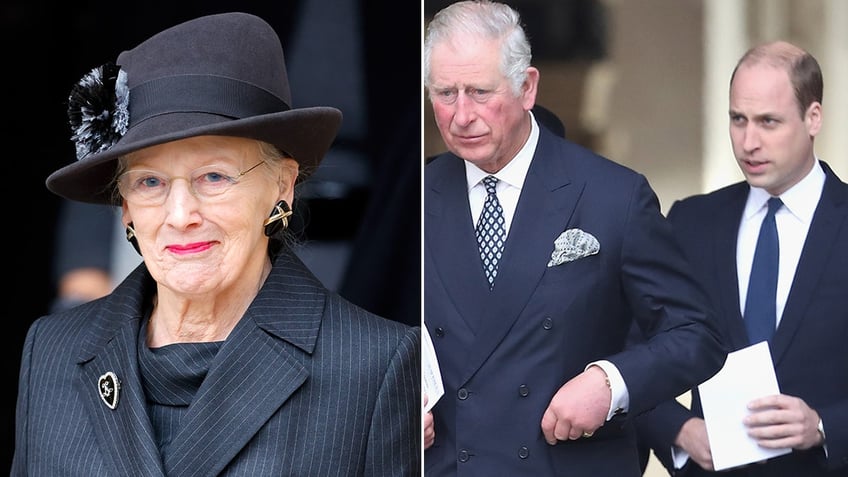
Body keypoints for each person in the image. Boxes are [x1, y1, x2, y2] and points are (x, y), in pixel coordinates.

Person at [12, 12, 420, 476]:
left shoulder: (375, 366)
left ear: (281, 187)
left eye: (214, 176)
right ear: (124, 205)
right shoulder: (51, 351)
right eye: (150, 181)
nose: (181, 215)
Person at [422, 1, 726, 475]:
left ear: (527, 88)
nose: (461, 115)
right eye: (444, 93)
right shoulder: (419, 196)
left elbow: (697, 334)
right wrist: (394, 399)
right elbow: (378, 331)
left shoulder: (615, 196)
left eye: (480, 92)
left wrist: (612, 383)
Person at [634, 41, 848, 476]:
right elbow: (629, 350)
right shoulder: (691, 222)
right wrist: (679, 429)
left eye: (768, 121)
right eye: (738, 120)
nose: (748, 142)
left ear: (813, 118)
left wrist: (826, 425)